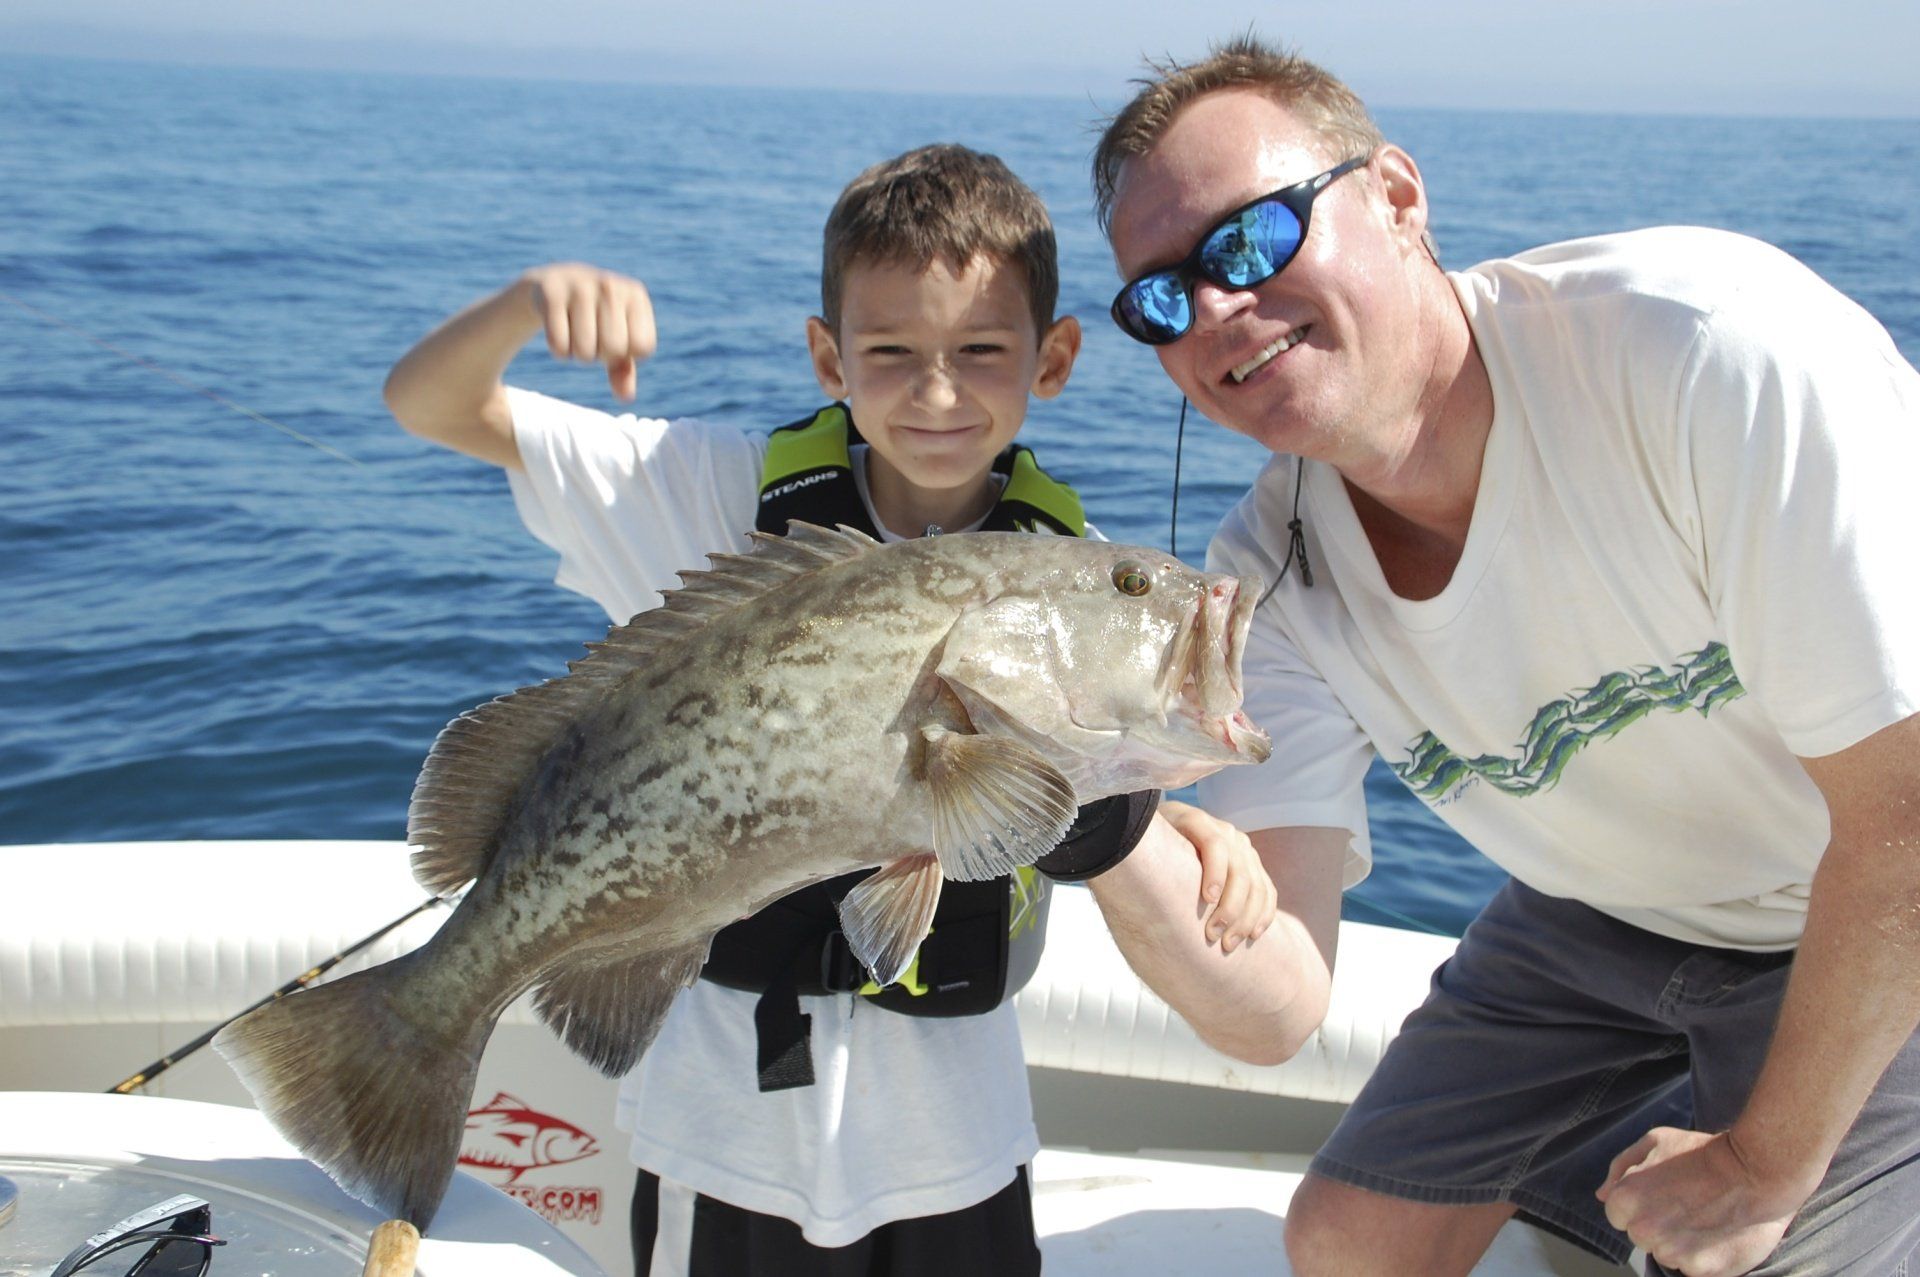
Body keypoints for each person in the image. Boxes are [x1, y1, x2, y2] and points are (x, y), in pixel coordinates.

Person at [1088, 35, 1920, 1277]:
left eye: (1250, 240)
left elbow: (1905, 808)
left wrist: (1761, 1165)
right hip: (1609, 910)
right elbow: (1278, 1003)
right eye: (1161, 297)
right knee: (1345, 1241)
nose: (1214, 308)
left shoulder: (1703, 354)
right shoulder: (1268, 575)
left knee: (1755, 1252)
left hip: (1869, 900)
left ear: (1399, 198)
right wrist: (1085, 817)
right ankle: (1622, 1167)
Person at [384, 142, 1284, 1277]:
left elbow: (1076, 768)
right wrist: (526, 302)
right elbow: (430, 404)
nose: (938, 390)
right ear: (828, 355)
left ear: (1052, 359)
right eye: (892, 351)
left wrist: (1193, 816)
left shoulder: (1061, 563)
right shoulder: (708, 494)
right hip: (726, 1138)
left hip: (959, 1143)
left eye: (981, 349)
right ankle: (403, 1033)